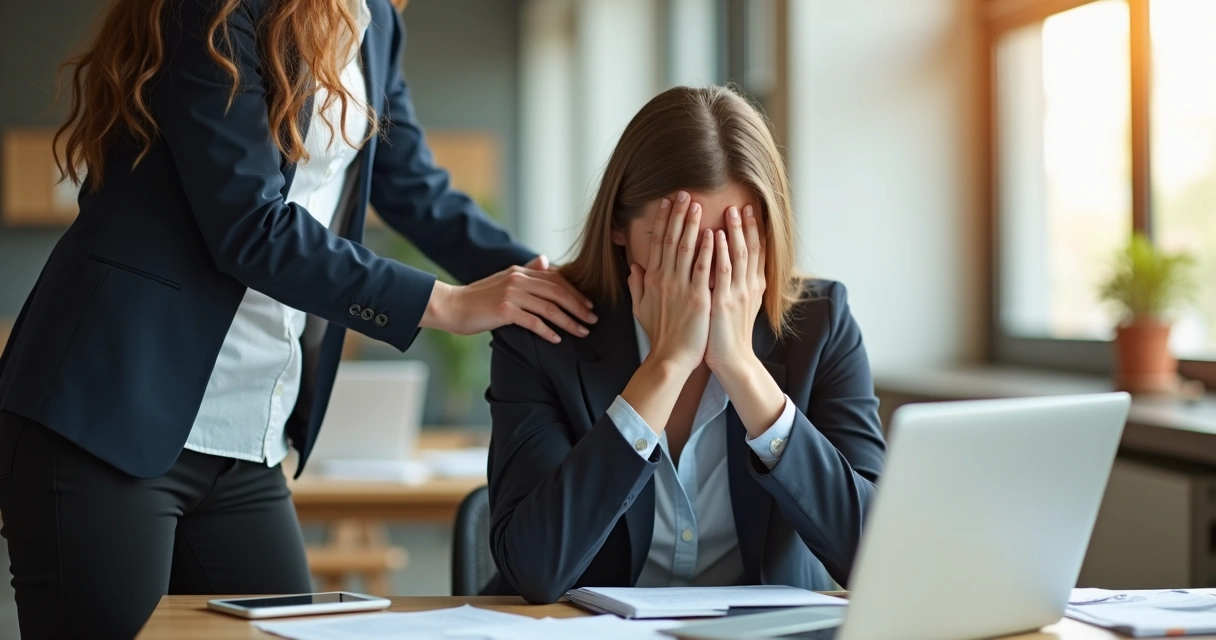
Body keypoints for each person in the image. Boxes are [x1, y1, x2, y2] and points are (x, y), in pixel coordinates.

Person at [0, 0, 597, 636]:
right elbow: (251, 228)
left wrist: (564, 286)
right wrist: (447, 304)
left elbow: (411, 185)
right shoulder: (212, 10)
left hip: (246, 434)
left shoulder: (375, 24)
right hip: (110, 411)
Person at [484, 86, 886, 603]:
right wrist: (665, 366)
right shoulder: (542, 332)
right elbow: (534, 569)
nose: (708, 272)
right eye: (682, 242)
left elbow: (877, 557)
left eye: (733, 244)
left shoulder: (820, 324)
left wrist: (742, 369)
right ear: (618, 228)